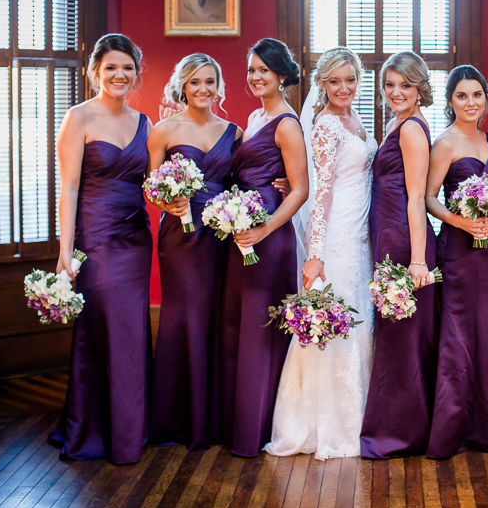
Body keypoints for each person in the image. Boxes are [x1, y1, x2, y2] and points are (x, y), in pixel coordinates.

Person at [265, 47, 377, 460]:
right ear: (322, 85)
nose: (343, 88)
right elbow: (322, 193)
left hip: (360, 235)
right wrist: (316, 254)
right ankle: (324, 428)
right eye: (334, 81)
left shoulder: (356, 119)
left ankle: (360, 418)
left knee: (359, 322)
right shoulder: (327, 125)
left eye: (350, 80)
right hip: (335, 239)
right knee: (334, 326)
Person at [49, 34, 153, 464]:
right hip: (96, 236)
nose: (119, 75)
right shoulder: (78, 118)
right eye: (111, 67)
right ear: (96, 71)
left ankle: (130, 428)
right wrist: (65, 252)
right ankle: (95, 429)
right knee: (104, 326)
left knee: (130, 327)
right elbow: (69, 188)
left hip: (136, 235)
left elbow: (161, 180)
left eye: (127, 67)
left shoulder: (145, 122)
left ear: (136, 73)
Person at [219, 39, 309, 457]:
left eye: (264, 70)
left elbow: (300, 190)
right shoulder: (254, 117)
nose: (256, 77)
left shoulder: (287, 124)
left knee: (260, 326)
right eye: (252, 70)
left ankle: (256, 430)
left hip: (268, 237)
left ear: (282, 75)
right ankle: (238, 423)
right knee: (239, 323)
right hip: (241, 230)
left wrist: (265, 230)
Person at [146, 53, 240, 451]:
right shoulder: (163, 131)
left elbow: (243, 182)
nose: (203, 89)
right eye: (195, 82)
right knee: (184, 319)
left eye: (210, 82)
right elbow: (149, 188)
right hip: (180, 239)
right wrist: (168, 203)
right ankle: (177, 421)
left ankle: (215, 421)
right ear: (182, 86)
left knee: (218, 317)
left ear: (219, 86)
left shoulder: (234, 132)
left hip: (221, 237)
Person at [360, 51, 439, 459]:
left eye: (405, 85)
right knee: (396, 333)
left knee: (400, 337)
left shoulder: (411, 129)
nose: (396, 92)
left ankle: (398, 432)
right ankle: (398, 425)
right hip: (387, 233)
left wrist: (419, 260)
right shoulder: (396, 122)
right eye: (389, 85)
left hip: (403, 240)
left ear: (420, 87)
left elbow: (416, 199)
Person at [424, 65, 488, 458]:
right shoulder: (445, 143)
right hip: (457, 250)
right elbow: (428, 198)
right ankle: (451, 430)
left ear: (486, 98)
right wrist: (463, 222)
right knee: (458, 338)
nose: (471, 102)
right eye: (462, 96)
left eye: (477, 95)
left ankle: (484, 426)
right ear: (450, 101)